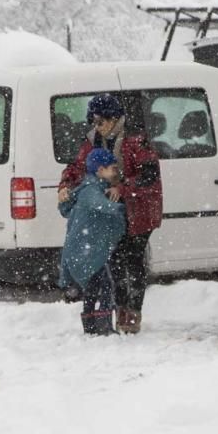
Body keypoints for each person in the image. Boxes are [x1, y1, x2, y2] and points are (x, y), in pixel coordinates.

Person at [59, 93, 163, 334]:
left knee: (134, 260)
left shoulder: (136, 139)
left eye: (100, 122)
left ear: (114, 118)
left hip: (140, 210)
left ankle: (132, 311)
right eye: (93, 122)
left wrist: (122, 188)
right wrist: (64, 185)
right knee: (114, 262)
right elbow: (76, 168)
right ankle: (118, 309)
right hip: (112, 213)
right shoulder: (92, 140)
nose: (97, 127)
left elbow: (149, 176)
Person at [58, 149, 126, 336]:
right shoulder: (91, 189)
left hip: (84, 249)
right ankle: (103, 326)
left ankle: (90, 325)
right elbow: (100, 204)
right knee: (105, 286)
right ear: (100, 170)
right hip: (87, 251)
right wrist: (119, 208)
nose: (116, 172)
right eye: (113, 168)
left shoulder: (90, 186)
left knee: (93, 288)